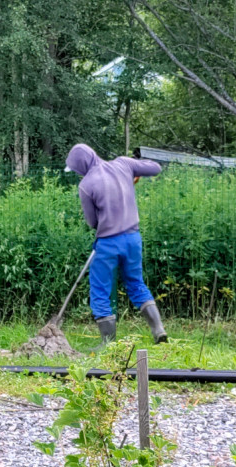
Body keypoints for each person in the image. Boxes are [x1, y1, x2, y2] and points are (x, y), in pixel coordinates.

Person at [64, 143, 167, 345]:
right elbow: (155, 168)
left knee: (100, 289)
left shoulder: (86, 185)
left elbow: (92, 222)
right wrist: (132, 171)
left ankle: (108, 342)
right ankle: (158, 330)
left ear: (81, 165)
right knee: (136, 283)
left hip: (108, 243)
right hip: (133, 239)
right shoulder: (124, 164)